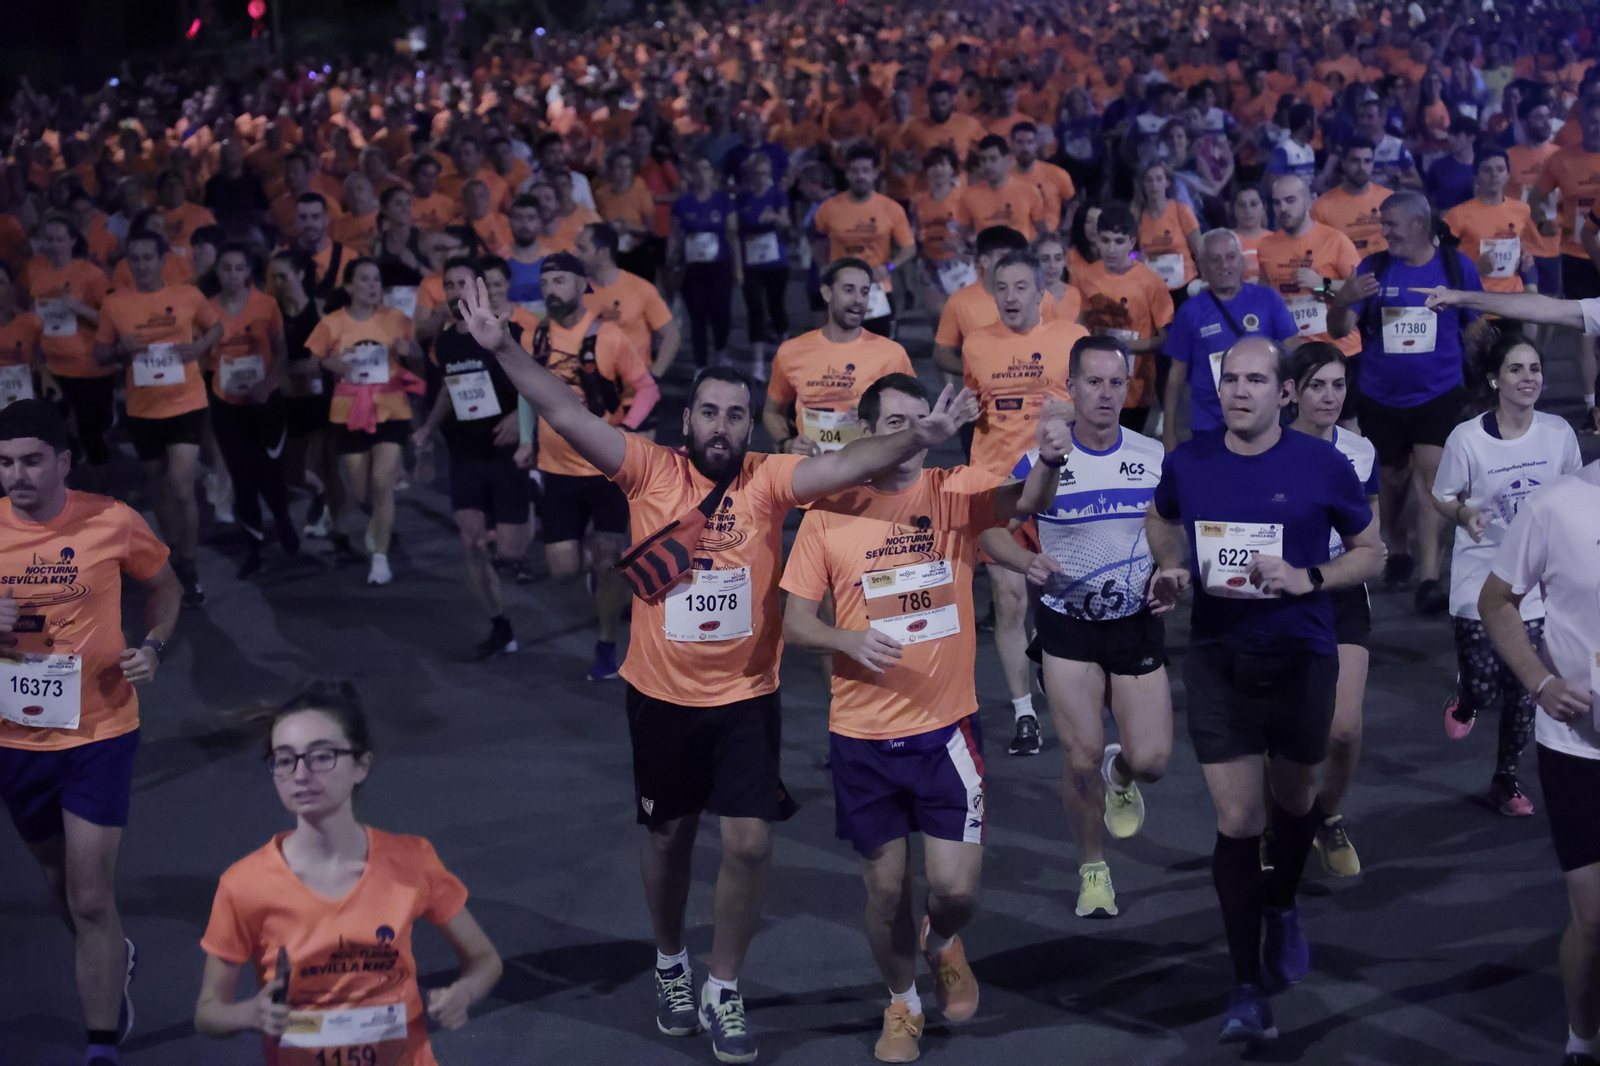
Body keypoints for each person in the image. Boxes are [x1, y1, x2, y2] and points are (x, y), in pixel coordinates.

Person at [454, 269, 976, 1065]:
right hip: (659, 697)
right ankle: (671, 960)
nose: (725, 425)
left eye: (737, 414)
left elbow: (841, 466)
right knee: (667, 840)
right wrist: (500, 352)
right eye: (711, 412)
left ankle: (723, 986)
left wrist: (916, 439)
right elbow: (562, 408)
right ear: (686, 417)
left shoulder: (771, 480)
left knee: (751, 845)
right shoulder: (646, 469)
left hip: (745, 697)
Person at [781, 372, 1065, 1061]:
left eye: (922, 420)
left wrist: (1051, 461)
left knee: (954, 889)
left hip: (946, 733)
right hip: (862, 738)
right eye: (896, 423)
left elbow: (1024, 501)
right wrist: (846, 639)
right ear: (867, 433)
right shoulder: (829, 514)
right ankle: (902, 1003)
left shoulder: (952, 491)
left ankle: (943, 941)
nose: (912, 436)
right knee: (883, 896)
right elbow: (792, 624)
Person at [1146, 335, 1383, 1042]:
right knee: (1239, 822)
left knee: (1296, 801)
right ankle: (1246, 986)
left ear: (1283, 392)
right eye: (1229, 380)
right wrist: (1172, 566)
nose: (1238, 391)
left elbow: (1373, 550)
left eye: (1255, 379)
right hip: (1219, 659)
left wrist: (1309, 577)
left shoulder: (1322, 463)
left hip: (1302, 657)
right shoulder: (1189, 459)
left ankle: (1282, 903)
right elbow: (1161, 516)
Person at [0, 399, 182, 1066]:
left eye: (30, 461)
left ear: (63, 462)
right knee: (59, 886)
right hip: (14, 740)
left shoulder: (111, 521)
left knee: (89, 892)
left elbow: (165, 587)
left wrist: (154, 647)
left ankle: (100, 1045)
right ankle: (114, 954)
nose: (16, 475)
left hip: (100, 730)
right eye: (4, 462)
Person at [194, 682, 503, 1064]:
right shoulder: (244, 885)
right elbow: (208, 1011)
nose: (301, 774)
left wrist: (464, 993)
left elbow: (485, 958)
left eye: (321, 756)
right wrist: (246, 1013)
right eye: (285, 759)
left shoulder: (413, 861)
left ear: (362, 766)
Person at [981, 334, 1171, 917]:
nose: (1108, 394)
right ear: (1073, 386)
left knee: (1154, 762)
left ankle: (1123, 771)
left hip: (1135, 624)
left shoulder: (1152, 455)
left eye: (1118, 382)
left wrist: (1173, 568)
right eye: (1095, 382)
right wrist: (1023, 559)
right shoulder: (1045, 458)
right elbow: (988, 527)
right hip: (1067, 626)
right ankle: (1093, 869)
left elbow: (1172, 528)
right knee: (1080, 754)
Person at [1479, 447, 1600, 1066]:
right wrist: (1541, 682)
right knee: (1594, 915)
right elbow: (1496, 600)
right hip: (1581, 748)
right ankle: (1582, 1037)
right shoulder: (1558, 504)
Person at [1432, 332, 1581, 815]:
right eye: (1516, 369)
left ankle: (1506, 779)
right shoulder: (1467, 438)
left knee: (1525, 685)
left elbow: (1576, 494)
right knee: (1485, 681)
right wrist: (1463, 516)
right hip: (1482, 577)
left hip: (1538, 582)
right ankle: (1466, 700)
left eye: (1535, 368)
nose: (1528, 378)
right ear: (1495, 379)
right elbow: (1443, 493)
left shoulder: (1559, 432)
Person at [1328, 189, 1486, 614]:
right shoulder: (1373, 268)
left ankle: (1430, 578)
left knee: (1432, 479)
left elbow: (1476, 326)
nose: (1384, 232)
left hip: (1439, 392)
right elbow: (1340, 327)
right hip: (1381, 395)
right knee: (1392, 479)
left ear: (1419, 224)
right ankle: (1398, 550)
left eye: (1391, 224)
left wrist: (1483, 372)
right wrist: (1344, 297)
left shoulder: (1456, 267)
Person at [961, 250, 1088, 755]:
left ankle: (1060, 676)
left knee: (1054, 600)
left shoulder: (1072, 338)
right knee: (1009, 601)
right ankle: (1024, 714)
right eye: (1002, 287)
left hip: (1058, 485)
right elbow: (977, 407)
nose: (1010, 297)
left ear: (1042, 293)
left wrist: (1072, 409)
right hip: (999, 490)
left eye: (1020, 287)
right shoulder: (976, 343)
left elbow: (1099, 404)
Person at [527, 252, 659, 681]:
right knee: (563, 570)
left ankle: (606, 645)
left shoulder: (609, 337)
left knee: (609, 556)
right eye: (546, 281)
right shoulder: (536, 337)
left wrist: (629, 431)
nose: (552, 289)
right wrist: (524, 435)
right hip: (555, 467)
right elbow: (527, 392)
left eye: (561, 280)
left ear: (582, 284)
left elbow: (646, 389)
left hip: (604, 469)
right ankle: (598, 581)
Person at [1285, 344, 1381, 877]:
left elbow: (1371, 536)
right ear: (1293, 391)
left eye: (1338, 385)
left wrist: (1366, 556)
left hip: (1340, 593)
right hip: (1278, 595)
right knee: (1278, 725)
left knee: (1343, 728)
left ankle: (1327, 815)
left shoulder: (1360, 452)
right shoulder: (1265, 447)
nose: (1329, 396)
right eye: (1317, 385)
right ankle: (1272, 821)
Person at [93, 229, 221, 607]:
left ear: (163, 259)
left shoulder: (187, 294)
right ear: (128, 262)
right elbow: (100, 354)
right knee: (159, 487)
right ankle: (172, 553)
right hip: (143, 408)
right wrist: (118, 349)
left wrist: (198, 346)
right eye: (135, 258)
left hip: (186, 401)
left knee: (181, 484)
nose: (142, 264)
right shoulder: (116, 304)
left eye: (149, 257)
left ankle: (190, 563)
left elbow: (216, 325)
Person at [413, 257, 533, 659]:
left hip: (505, 451)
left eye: (461, 283)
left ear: (477, 287)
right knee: (472, 542)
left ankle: (537, 491)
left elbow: (534, 381)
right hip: (464, 452)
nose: (452, 291)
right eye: (447, 285)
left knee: (513, 552)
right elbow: (450, 389)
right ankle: (500, 626)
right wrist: (429, 428)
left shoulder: (507, 332)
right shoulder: (445, 341)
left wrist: (521, 418)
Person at [304, 258, 426, 586]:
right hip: (348, 412)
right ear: (349, 287)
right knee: (362, 492)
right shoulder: (332, 323)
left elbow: (417, 357)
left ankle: (380, 559)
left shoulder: (396, 319)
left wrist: (409, 350)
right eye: (365, 280)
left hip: (391, 408)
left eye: (377, 280)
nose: (373, 286)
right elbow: (312, 364)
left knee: (383, 481)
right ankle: (379, 524)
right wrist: (332, 364)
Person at [1161, 229, 1299, 451]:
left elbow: (1293, 352)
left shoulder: (1268, 299)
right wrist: (1169, 431)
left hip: (1266, 422)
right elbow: (1176, 376)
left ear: (1243, 262)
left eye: (1231, 257)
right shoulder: (1190, 312)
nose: (1224, 265)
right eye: (1215, 259)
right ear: (1202, 269)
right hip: (1210, 425)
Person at [764, 257, 915, 459]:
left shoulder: (892, 354)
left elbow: (915, 416)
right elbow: (772, 412)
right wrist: (787, 443)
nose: (858, 300)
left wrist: (876, 419)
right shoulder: (791, 352)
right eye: (849, 290)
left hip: (869, 475)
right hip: (812, 477)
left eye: (864, 292)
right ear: (827, 292)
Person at [206, 244, 297, 578]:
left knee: (271, 475)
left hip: (264, 403)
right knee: (242, 479)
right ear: (217, 272)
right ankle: (255, 548)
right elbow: (203, 356)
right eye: (226, 268)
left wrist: (268, 384)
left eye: (238, 268)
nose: (232, 275)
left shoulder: (266, 305)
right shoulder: (207, 310)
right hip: (227, 405)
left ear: (248, 272)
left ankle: (283, 520)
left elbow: (282, 351)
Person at [24, 216, 115, 484]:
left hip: (89, 367)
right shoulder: (37, 273)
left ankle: (107, 495)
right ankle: (72, 484)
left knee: (92, 432)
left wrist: (79, 308)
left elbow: (112, 319)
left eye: (59, 238)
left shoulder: (91, 274)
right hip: (51, 367)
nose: (52, 245)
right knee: (54, 431)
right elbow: (34, 316)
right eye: (48, 239)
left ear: (72, 241)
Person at [1075, 204, 1174, 431]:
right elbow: (1079, 325)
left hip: (1135, 387)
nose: (1111, 249)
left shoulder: (1151, 282)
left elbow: (1166, 339)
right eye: (1105, 240)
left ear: (1132, 241)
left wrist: (1122, 346)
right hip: (1094, 380)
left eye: (1119, 241)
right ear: (1096, 240)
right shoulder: (1085, 277)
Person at [1534, 95, 1600, 429]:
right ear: (1580, 122)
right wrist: (1542, 222)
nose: (1596, 125)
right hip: (1577, 253)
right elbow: (1536, 196)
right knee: (1586, 331)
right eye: (1590, 120)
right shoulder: (1561, 159)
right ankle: (1591, 404)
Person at [812, 144, 915, 338]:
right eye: (855, 171)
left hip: (877, 289)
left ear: (875, 173)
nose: (861, 176)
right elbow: (817, 239)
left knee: (882, 351)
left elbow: (909, 248)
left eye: (866, 170)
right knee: (843, 350)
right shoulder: (829, 209)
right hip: (841, 289)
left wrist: (889, 268)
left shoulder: (891, 208)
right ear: (847, 174)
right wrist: (823, 267)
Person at [576, 222, 680, 381]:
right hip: (592, 391)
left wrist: (653, 376)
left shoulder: (640, 288)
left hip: (633, 394)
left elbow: (671, 336)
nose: (575, 254)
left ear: (603, 253)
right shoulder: (577, 292)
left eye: (582, 249)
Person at [671, 154, 739, 368]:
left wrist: (738, 268)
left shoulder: (724, 202)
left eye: (706, 170)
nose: (701, 175)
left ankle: (721, 350)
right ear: (690, 175)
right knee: (697, 316)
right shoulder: (682, 204)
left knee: (721, 313)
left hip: (719, 266)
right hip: (692, 268)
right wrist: (671, 264)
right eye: (697, 170)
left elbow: (732, 235)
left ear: (713, 174)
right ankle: (701, 364)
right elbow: (675, 237)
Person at [1444, 149, 1540, 300]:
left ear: (1508, 175)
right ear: (1476, 176)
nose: (1494, 175)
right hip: (1475, 299)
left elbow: (1521, 246)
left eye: (1500, 169)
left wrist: (1525, 260)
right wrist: (1475, 269)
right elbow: (1443, 261)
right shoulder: (1457, 215)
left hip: (1513, 298)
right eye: (1487, 170)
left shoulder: (1522, 210)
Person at [733, 153, 791, 381]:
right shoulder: (742, 199)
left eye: (765, 174)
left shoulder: (777, 195)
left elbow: (787, 222)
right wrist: (737, 267)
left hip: (776, 262)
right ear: (749, 176)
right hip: (751, 263)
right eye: (757, 174)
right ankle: (757, 365)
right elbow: (735, 232)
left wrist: (775, 216)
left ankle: (785, 356)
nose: (761, 178)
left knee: (777, 306)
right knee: (755, 310)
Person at [955, 135, 1048, 245]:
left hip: (1020, 257)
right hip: (986, 257)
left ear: (1006, 159)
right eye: (983, 160)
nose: (988, 165)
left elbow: (1044, 234)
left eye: (993, 159)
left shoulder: (1030, 191)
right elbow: (961, 236)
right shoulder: (969, 195)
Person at [1310, 140, 1391, 257]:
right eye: (1355, 161)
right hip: (1343, 273)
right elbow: (1316, 253)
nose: (1361, 167)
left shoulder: (1389, 199)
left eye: (1367, 161)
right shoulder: (1322, 206)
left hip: (1384, 271)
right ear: (1344, 163)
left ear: (1373, 164)